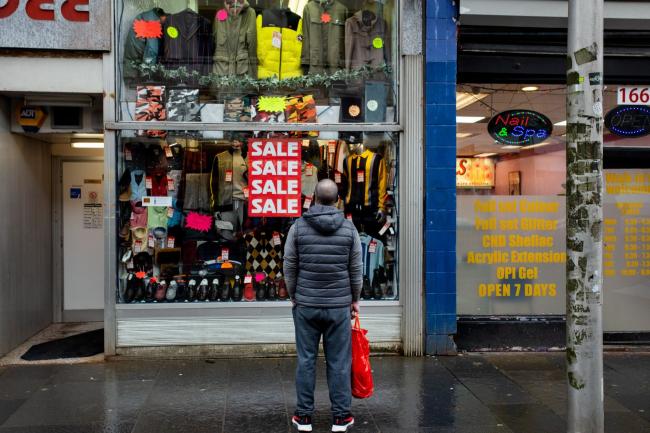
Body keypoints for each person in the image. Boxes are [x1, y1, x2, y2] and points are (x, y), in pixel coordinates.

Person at [284, 179, 363, 433]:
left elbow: (289, 264)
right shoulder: (349, 229)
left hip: (306, 305)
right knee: (339, 362)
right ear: (337, 199)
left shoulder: (298, 227)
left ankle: (303, 417)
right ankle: (340, 418)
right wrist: (355, 298)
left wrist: (294, 294)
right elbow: (356, 269)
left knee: (306, 361)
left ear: (314, 198)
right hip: (338, 306)